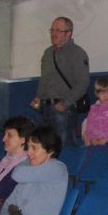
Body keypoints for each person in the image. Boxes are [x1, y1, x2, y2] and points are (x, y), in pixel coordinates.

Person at [0, 125, 68, 215]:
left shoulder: (57, 168)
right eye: (28, 147)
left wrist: (24, 162)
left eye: (34, 148)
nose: (28, 152)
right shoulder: (30, 170)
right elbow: (8, 203)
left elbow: (16, 174)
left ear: (50, 151)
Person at [31, 16, 90, 149]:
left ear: (68, 33)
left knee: (64, 147)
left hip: (64, 110)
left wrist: (65, 103)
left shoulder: (77, 53)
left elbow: (83, 83)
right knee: (45, 148)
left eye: (58, 30)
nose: (53, 34)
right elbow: (44, 79)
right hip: (45, 108)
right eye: (52, 30)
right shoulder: (48, 53)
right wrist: (38, 97)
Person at [81, 78, 108, 148]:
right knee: (88, 145)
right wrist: (92, 139)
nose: (105, 96)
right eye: (102, 93)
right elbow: (89, 126)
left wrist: (106, 138)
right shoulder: (93, 109)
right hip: (95, 141)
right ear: (97, 94)